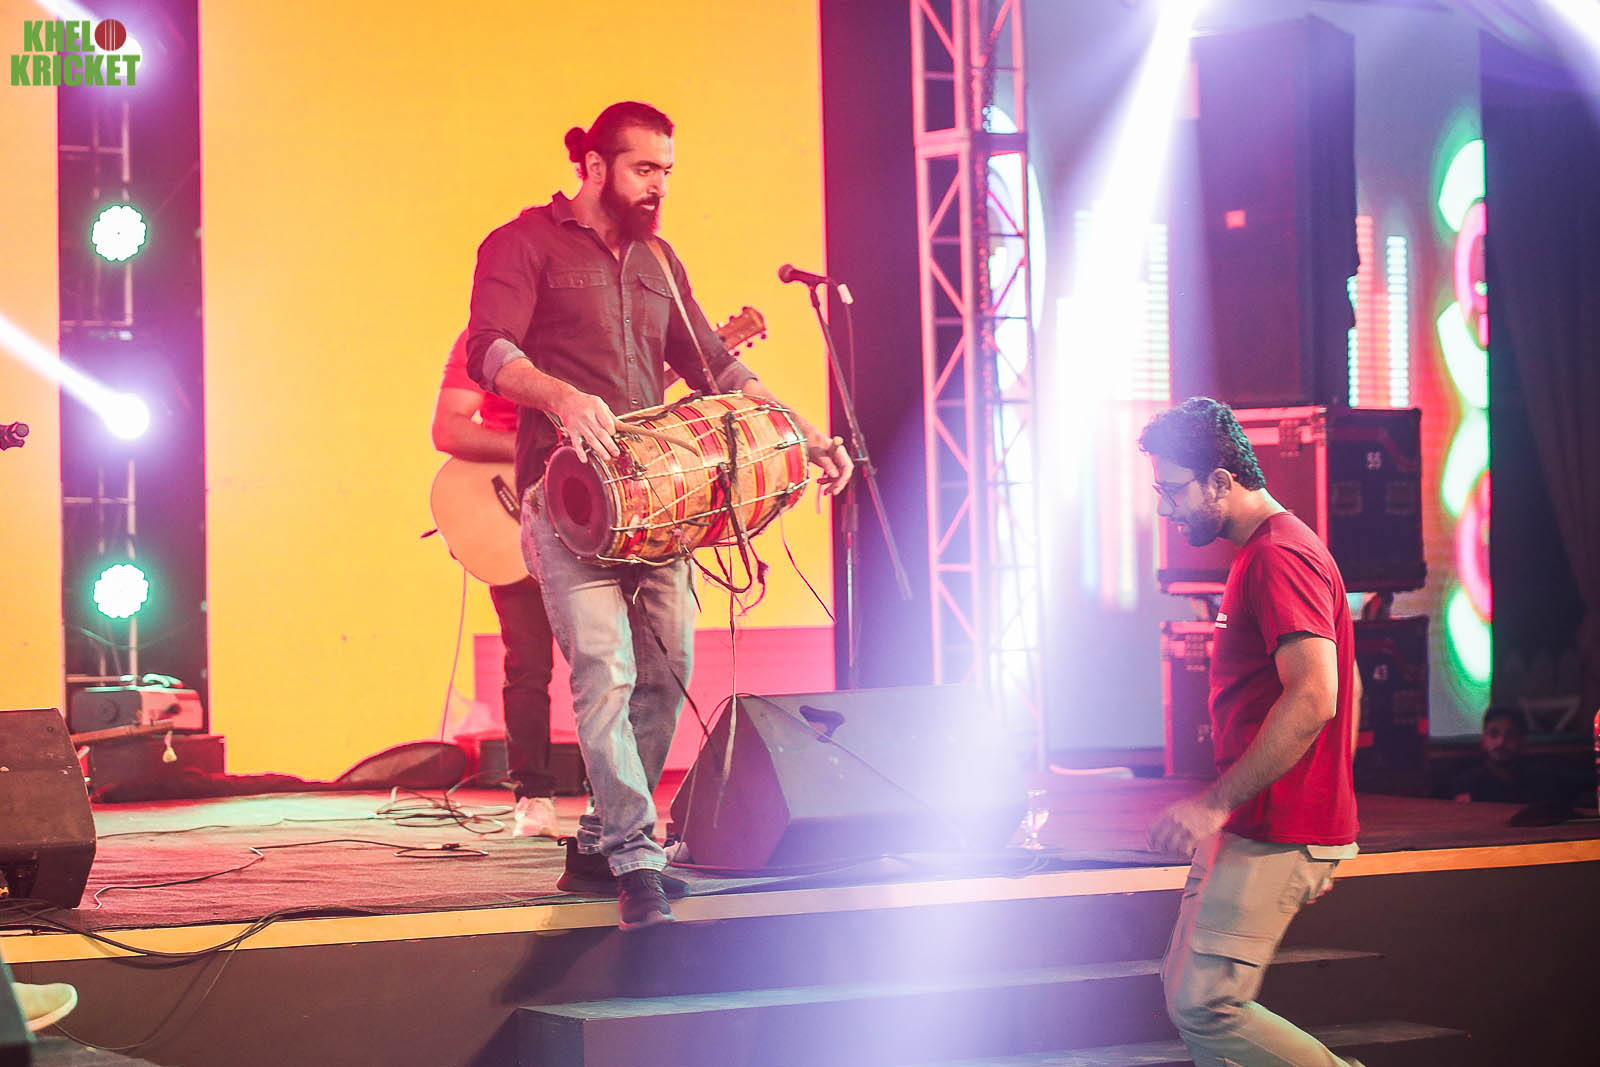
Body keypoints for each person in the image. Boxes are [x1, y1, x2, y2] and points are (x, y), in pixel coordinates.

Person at [465, 101, 852, 930]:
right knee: (603, 672)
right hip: (564, 501)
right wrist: (562, 397)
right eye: (645, 169)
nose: (659, 186)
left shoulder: (659, 259)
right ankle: (637, 859)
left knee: (667, 671)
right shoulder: (521, 243)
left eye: (668, 171)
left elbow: (713, 365)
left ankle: (599, 840)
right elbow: (488, 349)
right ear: (594, 166)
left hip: (658, 508)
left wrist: (803, 435)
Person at [1139, 397, 1363, 1067]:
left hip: (1274, 824)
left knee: (1205, 1004)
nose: (1165, 508)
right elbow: (1348, 686)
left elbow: (1317, 695)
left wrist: (1218, 804)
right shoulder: (1268, 551)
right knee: (1188, 992)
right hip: (1264, 820)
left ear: (1219, 481)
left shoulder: (1279, 556)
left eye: (1172, 489)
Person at [432, 332, 562, 838]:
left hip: (588, 506)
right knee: (527, 664)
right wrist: (531, 451)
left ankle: (614, 800)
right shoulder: (480, 339)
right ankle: (533, 796)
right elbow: (448, 428)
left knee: (608, 661)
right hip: (514, 512)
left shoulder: (587, 327)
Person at [1449, 705, 1585, 809]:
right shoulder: (1466, 785)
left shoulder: (1541, 781)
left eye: (1510, 735)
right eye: (1494, 734)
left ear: (1521, 741)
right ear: (1483, 740)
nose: (1501, 742)